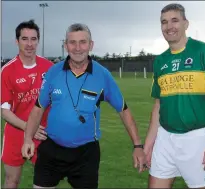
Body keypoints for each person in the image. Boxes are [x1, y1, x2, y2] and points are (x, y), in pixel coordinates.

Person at [21, 23, 147, 189]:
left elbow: (123, 110)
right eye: (72, 42)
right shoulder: (53, 72)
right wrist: (28, 138)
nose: (78, 48)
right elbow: (38, 108)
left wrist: (138, 146)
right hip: (51, 150)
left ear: (91, 44)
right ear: (66, 46)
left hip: (86, 154)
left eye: (83, 42)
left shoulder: (103, 75)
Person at [144, 3, 205, 189]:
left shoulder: (203, 51)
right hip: (165, 137)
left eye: (175, 20)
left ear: (185, 24)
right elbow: (158, 105)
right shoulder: (160, 61)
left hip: (198, 137)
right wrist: (149, 144)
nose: (169, 26)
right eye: (164, 22)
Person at [1, 20, 53, 188]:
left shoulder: (49, 67)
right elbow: (4, 110)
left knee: (45, 181)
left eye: (33, 39)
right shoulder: (7, 70)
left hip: (43, 133)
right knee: (11, 180)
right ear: (17, 41)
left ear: (38, 40)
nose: (29, 44)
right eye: (25, 39)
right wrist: (28, 128)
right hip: (16, 132)